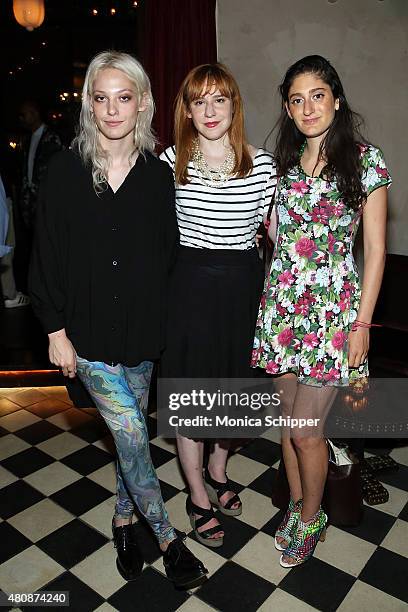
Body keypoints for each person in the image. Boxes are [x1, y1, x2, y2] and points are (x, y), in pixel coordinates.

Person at [29, 50, 207, 589]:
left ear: (143, 104)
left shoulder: (158, 176)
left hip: (141, 333)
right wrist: (55, 331)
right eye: (101, 98)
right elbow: (45, 257)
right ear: (88, 105)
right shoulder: (63, 170)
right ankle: (169, 540)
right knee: (131, 432)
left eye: (123, 97)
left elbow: (168, 255)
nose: (112, 110)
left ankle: (124, 520)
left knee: (129, 442)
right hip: (85, 336)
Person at [252, 55, 391, 567]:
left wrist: (362, 323)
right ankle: (296, 506)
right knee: (291, 427)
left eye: (316, 95)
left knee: (308, 430)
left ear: (335, 97)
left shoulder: (365, 160)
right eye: (296, 99)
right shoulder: (280, 167)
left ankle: (313, 519)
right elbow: (275, 235)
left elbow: (374, 251)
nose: (307, 107)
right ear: (288, 110)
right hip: (283, 309)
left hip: (333, 314)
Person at [160, 63, 276, 547]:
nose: (209, 111)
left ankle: (218, 467)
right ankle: (197, 496)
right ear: (187, 109)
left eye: (219, 100)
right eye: (199, 101)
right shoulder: (169, 162)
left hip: (242, 290)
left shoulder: (263, 164)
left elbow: (280, 238)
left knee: (234, 394)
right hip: (189, 290)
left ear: (234, 106)